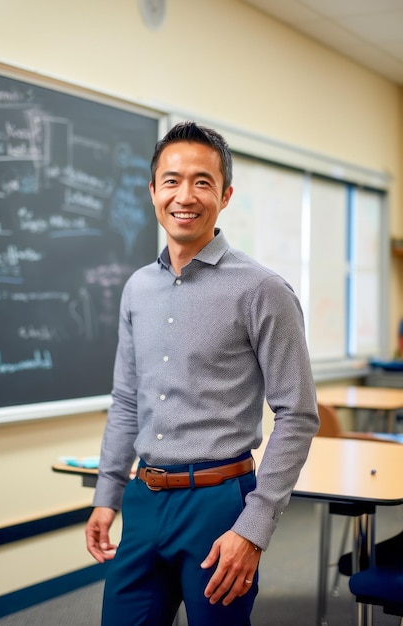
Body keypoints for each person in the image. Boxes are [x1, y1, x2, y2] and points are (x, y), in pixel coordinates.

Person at [85, 121, 319, 626]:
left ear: (226, 194)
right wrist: (107, 495)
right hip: (144, 500)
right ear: (153, 192)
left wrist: (253, 528)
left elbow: (297, 415)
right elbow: (126, 400)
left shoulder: (262, 290)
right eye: (171, 180)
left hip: (219, 505)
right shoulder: (137, 289)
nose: (184, 195)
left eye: (202, 181)